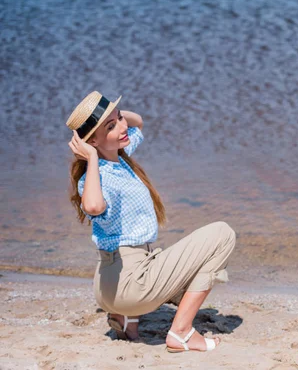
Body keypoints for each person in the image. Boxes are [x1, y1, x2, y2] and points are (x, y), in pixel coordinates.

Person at [66, 91, 236, 353]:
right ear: (93, 142)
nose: (123, 127)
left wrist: (113, 114)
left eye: (120, 119)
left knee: (191, 264)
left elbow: (138, 123)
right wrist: (89, 157)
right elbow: (92, 206)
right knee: (222, 234)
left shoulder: (118, 158)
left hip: (111, 283)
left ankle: (125, 319)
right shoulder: (95, 176)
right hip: (131, 283)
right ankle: (181, 334)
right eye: (111, 127)